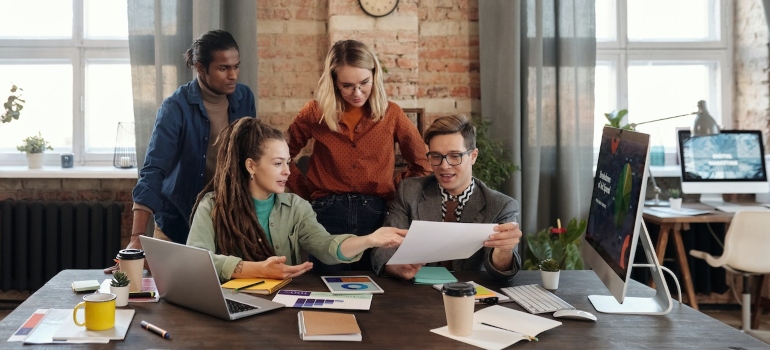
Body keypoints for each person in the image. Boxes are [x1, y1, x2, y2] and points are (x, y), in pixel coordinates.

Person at [105, 30, 255, 273]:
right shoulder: (175, 107)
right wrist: (136, 238)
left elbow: (251, 159)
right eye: (223, 68)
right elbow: (153, 170)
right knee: (168, 303)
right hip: (178, 223)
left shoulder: (244, 97)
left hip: (228, 224)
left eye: (236, 66)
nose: (233, 75)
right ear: (200, 68)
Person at [187, 118, 407, 280]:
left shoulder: (296, 207)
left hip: (283, 306)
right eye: (277, 163)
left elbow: (326, 246)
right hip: (230, 304)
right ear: (251, 165)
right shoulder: (212, 206)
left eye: (288, 162)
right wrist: (255, 269)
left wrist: (370, 239)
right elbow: (196, 261)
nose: (287, 171)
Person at [286, 39, 431, 273]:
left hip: (374, 214)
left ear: (375, 75)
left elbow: (423, 165)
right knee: (325, 286)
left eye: (364, 83)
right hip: (325, 214)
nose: (357, 93)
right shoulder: (314, 113)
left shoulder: (391, 114)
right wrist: (305, 194)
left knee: (375, 288)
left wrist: (391, 186)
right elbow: (282, 157)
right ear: (334, 82)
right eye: (347, 85)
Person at [371, 115, 522, 281]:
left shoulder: (501, 205)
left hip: (470, 296)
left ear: (473, 156)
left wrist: (504, 250)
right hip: (416, 295)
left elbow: (501, 272)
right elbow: (383, 249)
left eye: (455, 156)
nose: (444, 166)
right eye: (436, 156)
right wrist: (396, 267)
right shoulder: (409, 191)